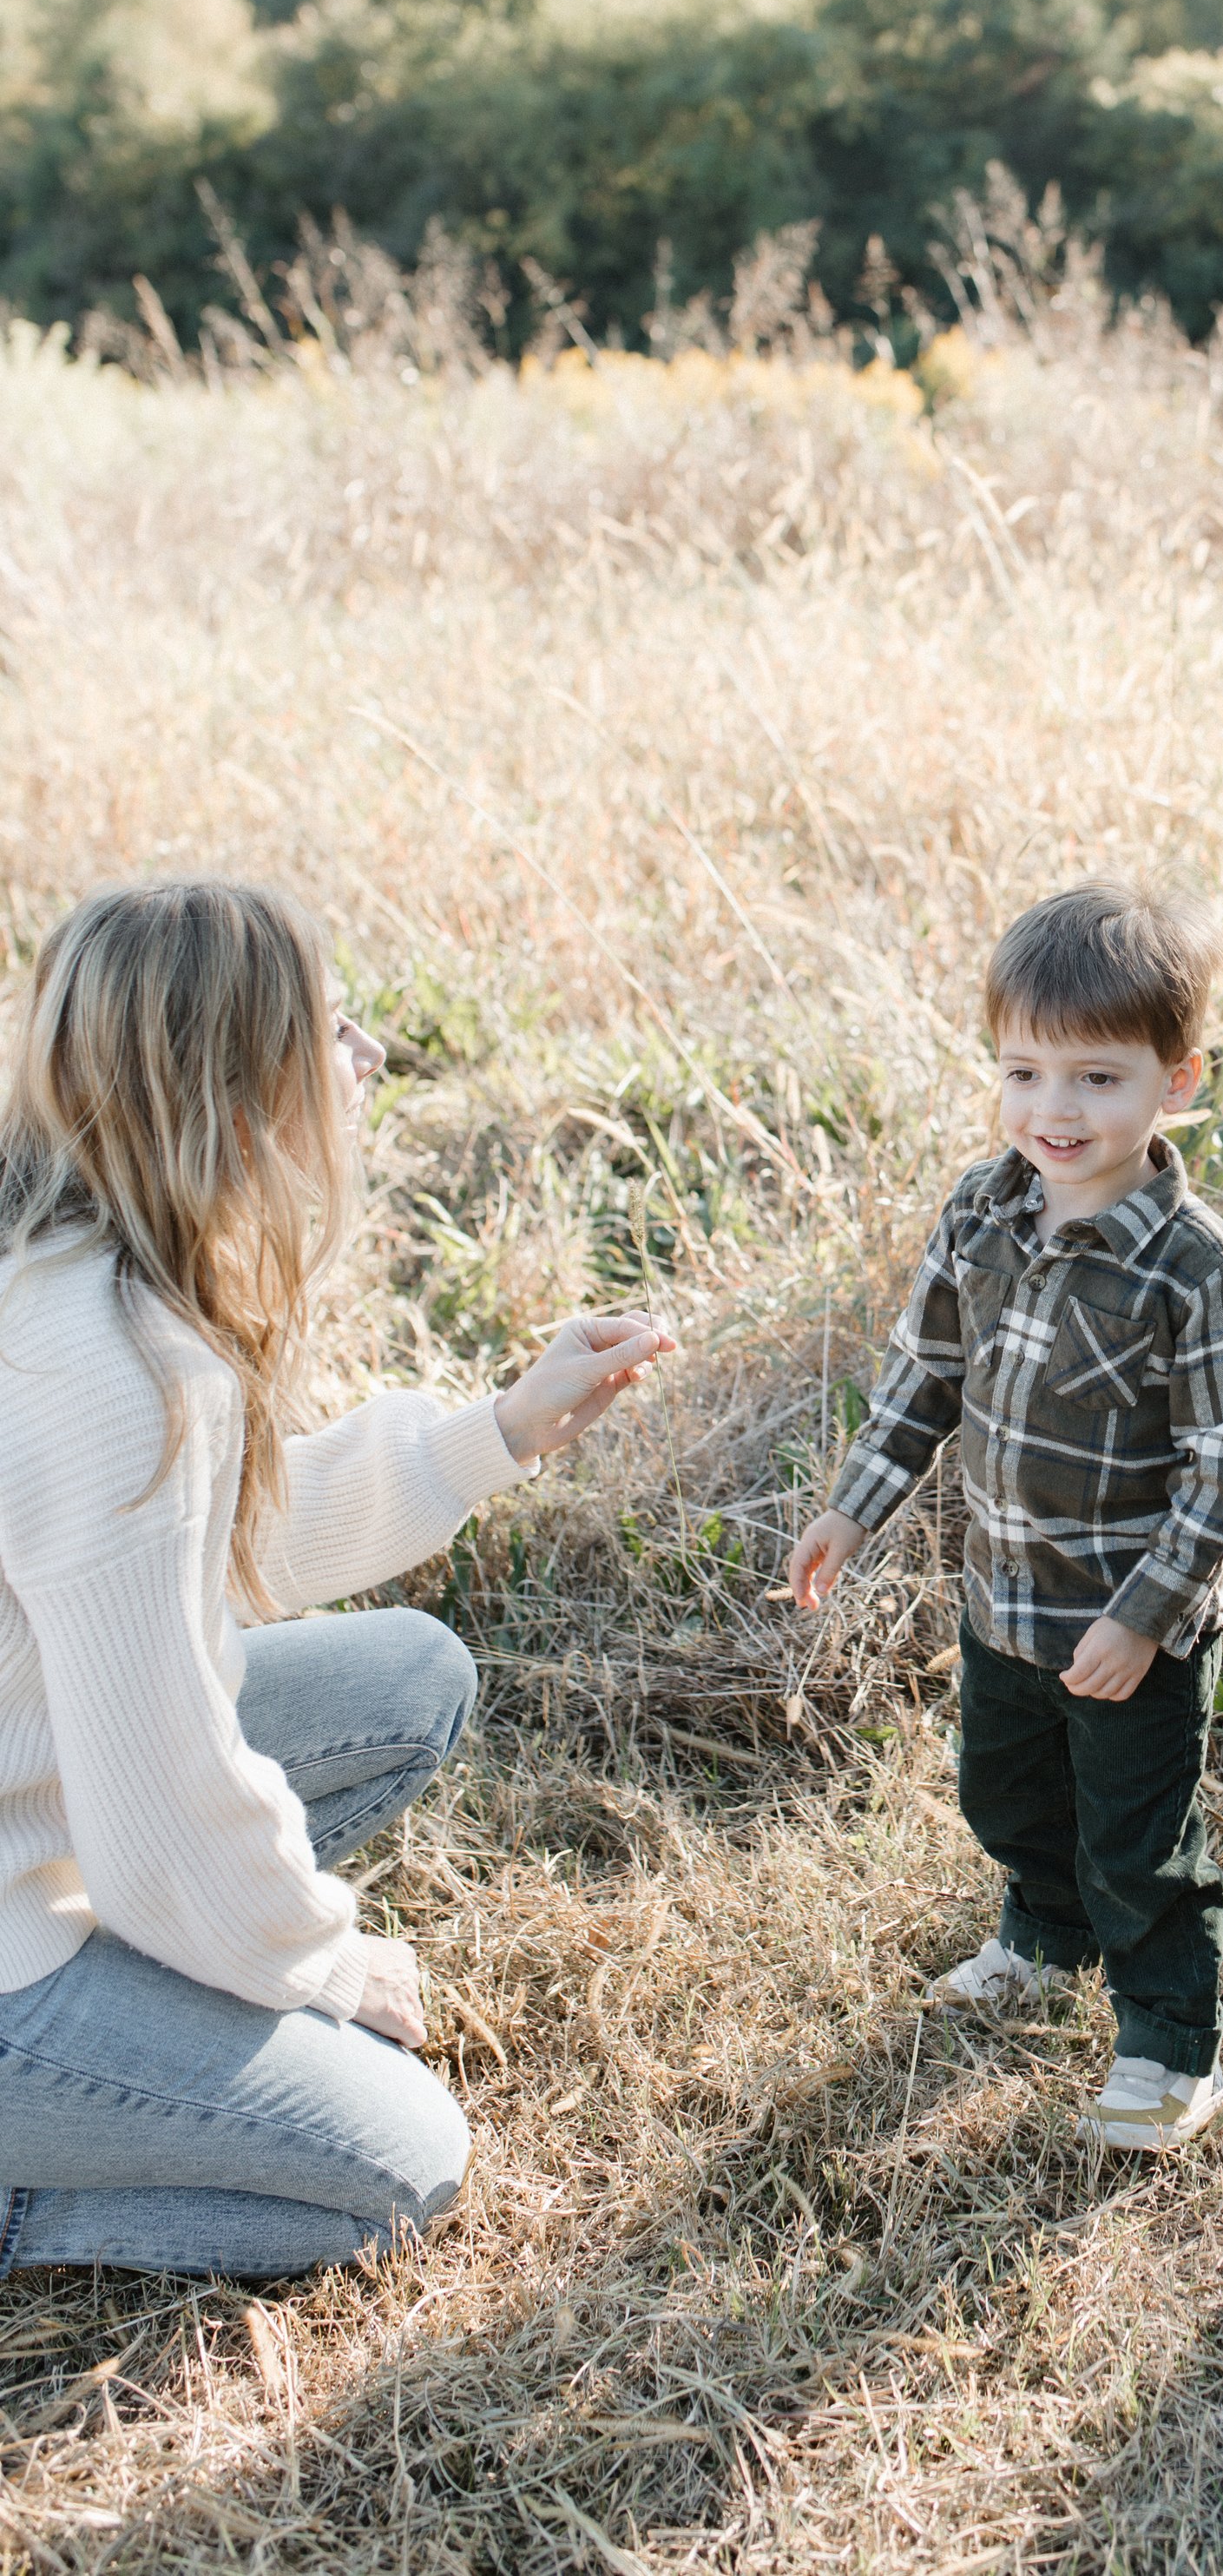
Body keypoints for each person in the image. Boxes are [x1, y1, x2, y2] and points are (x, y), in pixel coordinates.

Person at [0, 880, 672, 2281]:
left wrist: (492, 1433)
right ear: (241, 1099)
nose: (362, 1061)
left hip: (35, 1793)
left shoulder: (57, 1252)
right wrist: (321, 1963)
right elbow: (162, 1808)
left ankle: (149, 2016)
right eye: (332, 1034)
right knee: (402, 2163)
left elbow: (203, 1559)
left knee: (408, 1674)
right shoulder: (113, 1373)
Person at [789, 883, 1223, 2152]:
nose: (1055, 1110)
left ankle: (1169, 2045)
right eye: (1025, 1070)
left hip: (1126, 1624)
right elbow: (922, 1375)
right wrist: (853, 1508)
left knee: (1139, 1838)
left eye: (1099, 1078)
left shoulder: (1193, 1268)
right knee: (1004, 1790)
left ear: (1176, 1079)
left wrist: (1146, 1615)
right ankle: (1040, 1933)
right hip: (1003, 1596)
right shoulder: (981, 1209)